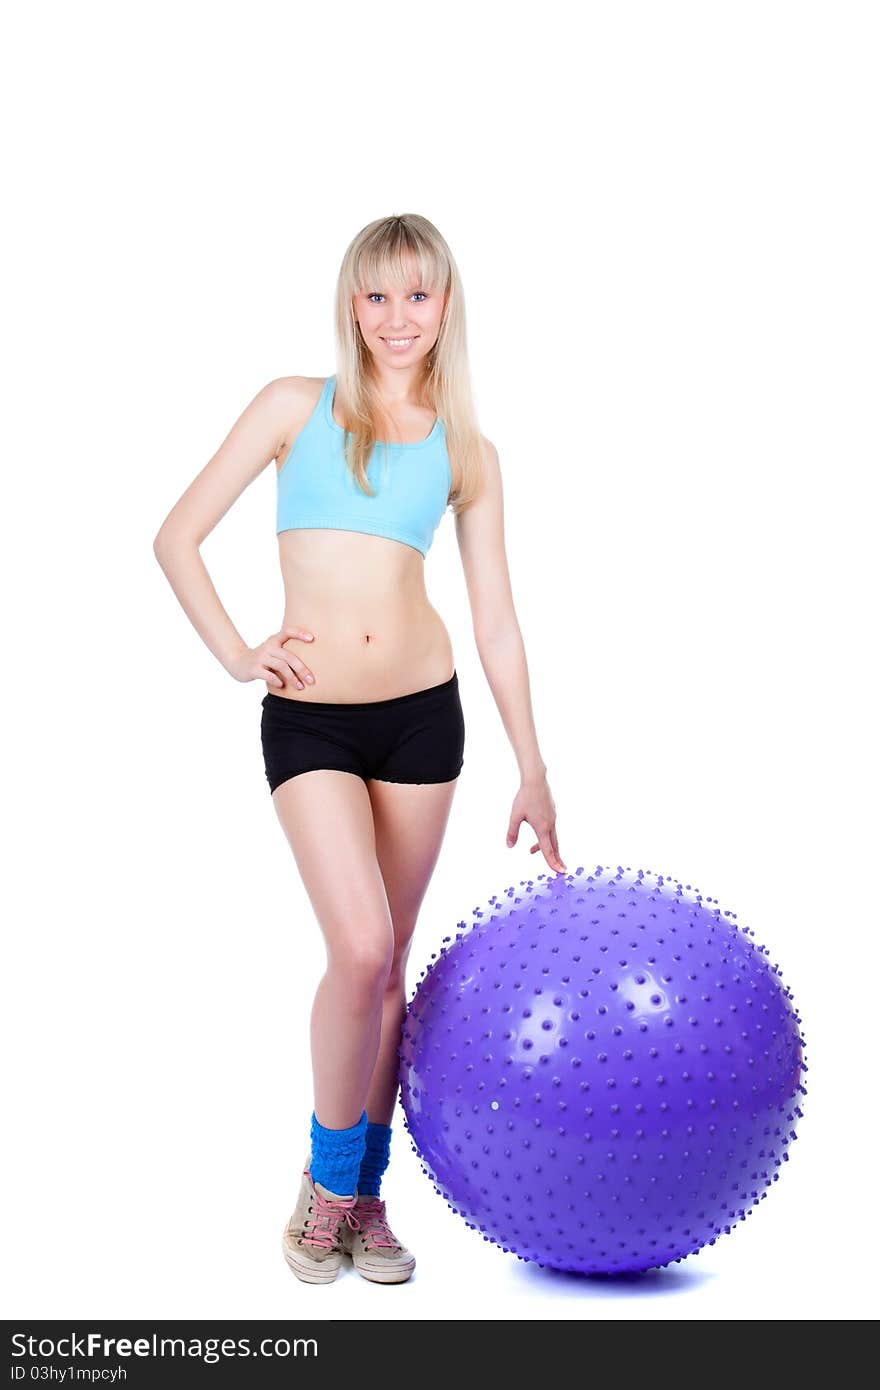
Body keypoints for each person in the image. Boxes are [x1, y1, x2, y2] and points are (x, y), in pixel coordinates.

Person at [153, 212, 566, 1286]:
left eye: (417, 295)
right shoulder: (297, 406)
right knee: (362, 949)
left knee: (390, 969)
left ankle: (367, 1198)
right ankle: (326, 1185)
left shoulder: (468, 450)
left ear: (446, 307)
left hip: (423, 718)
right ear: (351, 303)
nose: (396, 317)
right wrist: (238, 653)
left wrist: (533, 768)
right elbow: (175, 534)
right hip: (314, 719)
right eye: (376, 295)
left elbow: (497, 623)